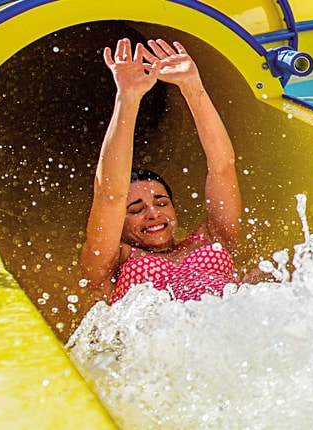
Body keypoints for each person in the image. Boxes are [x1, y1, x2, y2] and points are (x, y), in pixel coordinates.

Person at [80, 38, 242, 304]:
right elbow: (109, 194)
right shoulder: (110, 265)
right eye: (135, 209)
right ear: (116, 225)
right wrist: (128, 98)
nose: (153, 213)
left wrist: (192, 87)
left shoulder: (213, 237)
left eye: (161, 202)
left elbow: (222, 167)